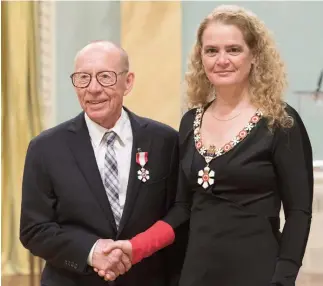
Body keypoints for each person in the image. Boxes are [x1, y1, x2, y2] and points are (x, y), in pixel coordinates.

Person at [98, 5, 314, 286]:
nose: (221, 59)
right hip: (197, 272)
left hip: (258, 273)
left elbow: (298, 213)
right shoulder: (190, 121)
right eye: (211, 51)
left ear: (255, 56)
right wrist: (135, 247)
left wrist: (283, 278)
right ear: (201, 58)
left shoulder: (281, 122)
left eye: (233, 49)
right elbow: (182, 208)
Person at [19, 41, 188, 286]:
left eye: (105, 77)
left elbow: (180, 211)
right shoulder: (45, 148)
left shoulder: (164, 141)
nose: (93, 88)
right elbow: (34, 229)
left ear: (127, 82)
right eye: (83, 78)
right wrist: (91, 252)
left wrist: (137, 248)